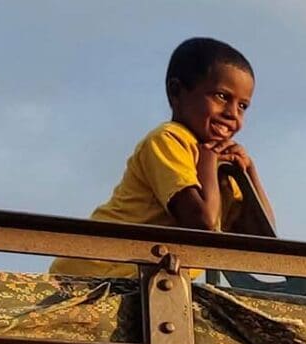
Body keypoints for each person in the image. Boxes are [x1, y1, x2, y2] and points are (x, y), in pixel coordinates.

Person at [51, 37, 275, 279]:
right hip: (93, 273)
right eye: (221, 96)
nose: (232, 114)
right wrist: (209, 161)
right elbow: (202, 223)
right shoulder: (169, 140)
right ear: (176, 92)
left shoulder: (223, 162)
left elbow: (265, 238)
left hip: (142, 282)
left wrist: (248, 172)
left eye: (243, 106)